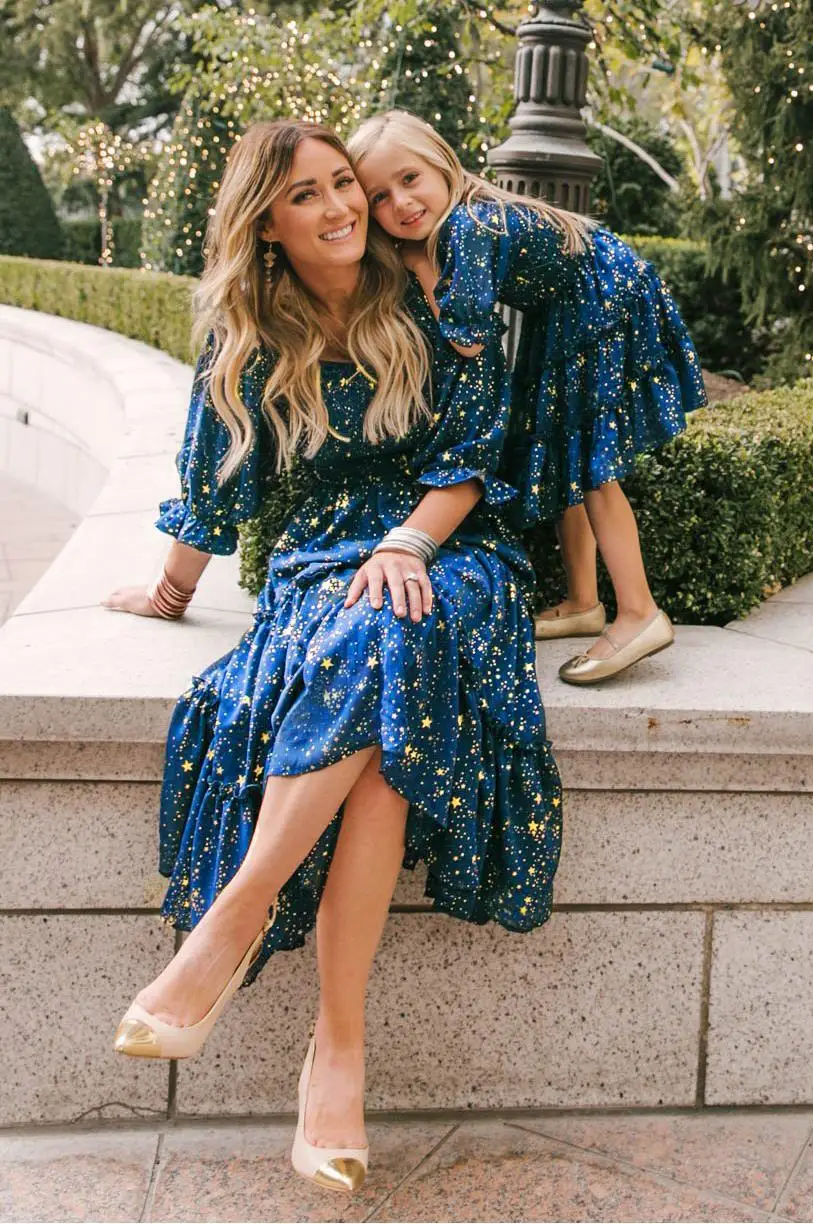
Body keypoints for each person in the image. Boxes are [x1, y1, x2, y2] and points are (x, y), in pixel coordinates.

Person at [103, 120, 562, 1194]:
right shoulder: (249, 338)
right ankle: (337, 1052)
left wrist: (408, 545)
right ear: (266, 223)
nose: (343, 207)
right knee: (383, 711)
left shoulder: (432, 297)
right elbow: (213, 490)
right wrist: (170, 592)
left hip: (452, 550)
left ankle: (233, 921)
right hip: (322, 561)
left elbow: (470, 460)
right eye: (306, 194)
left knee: (396, 625)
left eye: (342, 183)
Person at [349, 110, 708, 685]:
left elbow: (467, 339)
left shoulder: (468, 225)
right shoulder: (463, 220)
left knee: (594, 468)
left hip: (600, 302)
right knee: (567, 453)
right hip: (568, 304)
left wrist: (416, 266)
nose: (402, 203)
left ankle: (639, 612)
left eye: (410, 178)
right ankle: (584, 602)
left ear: (442, 165)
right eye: (380, 197)